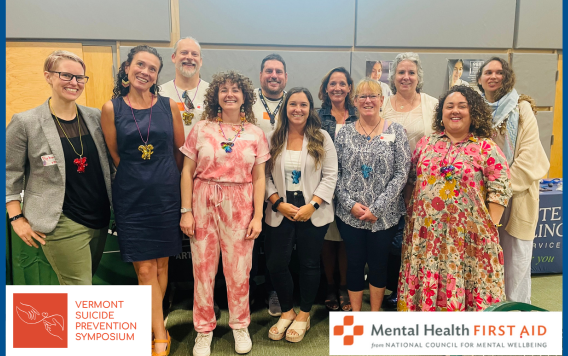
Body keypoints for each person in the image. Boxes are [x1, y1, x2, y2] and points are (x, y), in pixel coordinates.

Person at [398, 85, 513, 312]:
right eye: (449, 106)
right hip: (427, 236)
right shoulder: (426, 144)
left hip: (470, 237)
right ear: (441, 113)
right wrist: (412, 216)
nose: (455, 111)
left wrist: (489, 224)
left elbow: (500, 187)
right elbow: (411, 180)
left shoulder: (485, 147)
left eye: (462, 106)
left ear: (474, 112)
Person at [101, 45, 184, 356]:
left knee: (162, 265)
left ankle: (154, 323)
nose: (145, 71)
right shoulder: (111, 109)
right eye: (140, 65)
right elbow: (115, 154)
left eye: (152, 68)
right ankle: (160, 334)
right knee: (145, 269)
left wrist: (164, 180)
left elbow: (179, 151)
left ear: (156, 76)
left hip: (165, 195)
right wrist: (140, 177)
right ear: (127, 68)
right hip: (132, 198)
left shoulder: (169, 106)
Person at [179, 71, 269, 356]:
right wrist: (186, 212)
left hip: (241, 203)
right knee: (203, 270)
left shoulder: (256, 133)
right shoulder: (201, 128)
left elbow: (259, 178)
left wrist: (257, 217)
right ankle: (204, 329)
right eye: (223, 90)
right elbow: (186, 171)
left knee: (239, 271)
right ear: (215, 95)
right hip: (203, 201)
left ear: (245, 96)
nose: (229, 94)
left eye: (235, 90)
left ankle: (240, 325)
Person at [6, 50, 112, 285]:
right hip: (62, 221)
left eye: (80, 78)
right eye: (66, 75)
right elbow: (8, 172)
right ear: (48, 76)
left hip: (100, 218)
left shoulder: (95, 117)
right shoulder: (26, 122)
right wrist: (16, 218)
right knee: (80, 289)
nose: (74, 83)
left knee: (82, 284)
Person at [265, 87, 337, 342]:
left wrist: (313, 205)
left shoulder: (321, 137)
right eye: (293, 104)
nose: (298, 109)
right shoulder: (274, 136)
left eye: (303, 104)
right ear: (285, 108)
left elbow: (330, 176)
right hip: (281, 209)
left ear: (310, 109)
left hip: (311, 210)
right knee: (276, 262)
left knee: (309, 263)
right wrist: (276, 203)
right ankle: (287, 310)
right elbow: (262, 175)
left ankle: (304, 314)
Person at [476, 57, 550, 304]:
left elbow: (530, 155)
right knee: (484, 259)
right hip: (483, 199)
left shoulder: (521, 108)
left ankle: (516, 317)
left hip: (517, 195)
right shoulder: (474, 110)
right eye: (488, 72)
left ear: (507, 77)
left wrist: (501, 191)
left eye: (499, 72)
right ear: (479, 78)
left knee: (516, 263)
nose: (493, 76)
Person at [335, 79, 410, 311]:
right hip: (350, 216)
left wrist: (377, 208)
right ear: (355, 102)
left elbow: (402, 172)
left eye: (373, 96)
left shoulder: (396, 131)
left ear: (382, 100)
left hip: (385, 217)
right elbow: (333, 173)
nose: (368, 101)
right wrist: (349, 204)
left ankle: (374, 314)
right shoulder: (344, 133)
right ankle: (357, 315)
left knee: (379, 265)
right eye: (362, 97)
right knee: (355, 263)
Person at [380, 52, 439, 309]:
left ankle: (414, 289)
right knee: (391, 240)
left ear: (418, 77)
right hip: (387, 186)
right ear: (393, 76)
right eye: (401, 72)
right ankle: (394, 288)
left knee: (417, 238)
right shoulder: (382, 104)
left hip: (422, 185)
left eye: (411, 72)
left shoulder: (433, 105)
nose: (406, 77)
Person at [250, 53, 288, 316]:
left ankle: (274, 290)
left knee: (276, 244)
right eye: (268, 71)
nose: (273, 75)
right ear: (260, 75)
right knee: (249, 243)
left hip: (283, 182)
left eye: (278, 71)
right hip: (249, 180)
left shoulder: (295, 102)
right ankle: (249, 291)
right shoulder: (247, 101)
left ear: (286, 77)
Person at [317, 67, 356, 312]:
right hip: (324, 185)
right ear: (326, 88)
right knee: (328, 239)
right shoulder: (318, 116)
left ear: (349, 88)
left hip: (352, 186)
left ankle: (344, 286)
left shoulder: (358, 115)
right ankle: (330, 285)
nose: (337, 88)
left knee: (346, 241)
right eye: (333, 83)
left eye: (342, 83)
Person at [159, 37, 210, 138]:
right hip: (171, 152)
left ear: (200, 61)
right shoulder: (160, 93)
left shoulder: (213, 92)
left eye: (194, 54)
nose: (189, 57)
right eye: (184, 53)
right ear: (174, 57)